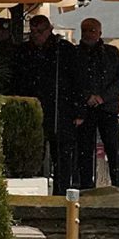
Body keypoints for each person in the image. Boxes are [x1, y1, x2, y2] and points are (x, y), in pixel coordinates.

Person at [9, 13, 80, 192]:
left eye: (40, 31)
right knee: (32, 154)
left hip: (60, 110)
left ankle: (61, 192)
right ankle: (35, 190)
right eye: (32, 32)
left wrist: (79, 111)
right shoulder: (24, 51)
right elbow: (16, 80)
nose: (36, 35)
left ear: (50, 30)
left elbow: (78, 81)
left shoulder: (64, 50)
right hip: (33, 110)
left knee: (62, 156)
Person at [70, 16, 119, 189]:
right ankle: (85, 186)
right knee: (84, 150)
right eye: (85, 30)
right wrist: (86, 96)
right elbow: (71, 80)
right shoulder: (75, 54)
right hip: (85, 110)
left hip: (107, 108)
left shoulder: (111, 53)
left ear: (100, 32)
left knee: (113, 149)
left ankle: (118, 185)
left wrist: (103, 97)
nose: (89, 34)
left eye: (92, 30)